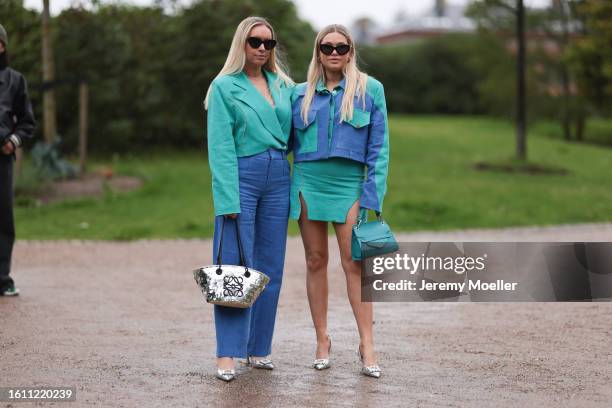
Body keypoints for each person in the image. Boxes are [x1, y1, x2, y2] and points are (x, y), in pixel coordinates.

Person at [290, 24, 390, 378]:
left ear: (351, 51)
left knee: (355, 263)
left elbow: (379, 149)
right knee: (315, 260)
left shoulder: (370, 90)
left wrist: (372, 196)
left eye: (341, 47)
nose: (334, 53)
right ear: (318, 52)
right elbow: (281, 143)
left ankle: (368, 344)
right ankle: (322, 340)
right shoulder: (298, 94)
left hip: (350, 185)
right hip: (307, 182)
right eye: (327, 47)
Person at [203, 16, 293, 382]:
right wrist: (227, 201)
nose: (261, 48)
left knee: (270, 266)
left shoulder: (285, 86)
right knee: (235, 265)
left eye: (268, 43)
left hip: (279, 178)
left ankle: (258, 348)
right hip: (242, 176)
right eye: (255, 41)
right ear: (242, 43)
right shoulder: (224, 87)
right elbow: (220, 147)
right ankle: (227, 353)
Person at [0, 23, 36, 297]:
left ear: (2, 46)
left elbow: (27, 123)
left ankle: (2, 278)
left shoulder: (15, 80)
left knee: (3, 219)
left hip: (2, 159)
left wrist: (13, 142)